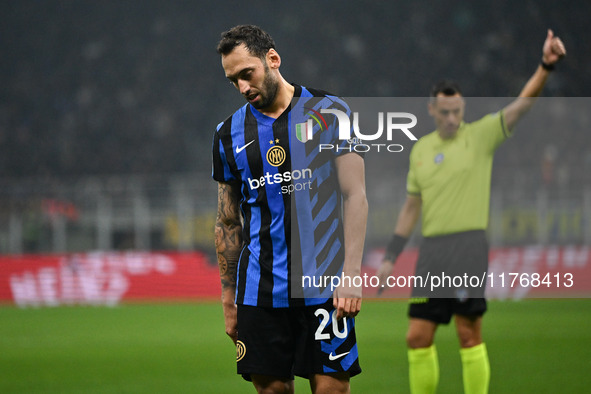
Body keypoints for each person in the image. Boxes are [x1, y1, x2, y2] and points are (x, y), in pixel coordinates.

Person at [376, 29, 566, 394]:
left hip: (468, 248)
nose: (451, 118)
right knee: (416, 336)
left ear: (463, 109)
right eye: (445, 112)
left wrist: (545, 66)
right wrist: (390, 257)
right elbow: (411, 207)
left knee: (468, 333)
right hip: (431, 252)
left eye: (457, 111)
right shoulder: (420, 150)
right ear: (432, 110)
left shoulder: (479, 137)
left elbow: (521, 105)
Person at [212, 25, 368, 394]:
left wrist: (352, 273)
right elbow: (228, 220)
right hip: (259, 291)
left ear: (272, 59)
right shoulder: (227, 133)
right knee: (272, 391)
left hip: (324, 287)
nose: (242, 87)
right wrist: (227, 297)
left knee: (332, 389)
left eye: (246, 74)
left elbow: (355, 195)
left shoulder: (331, 112)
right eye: (232, 80)